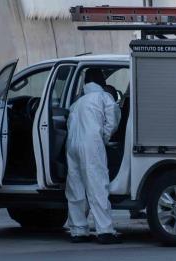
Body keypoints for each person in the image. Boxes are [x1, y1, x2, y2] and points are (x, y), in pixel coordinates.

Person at [65, 68, 122, 244]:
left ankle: (78, 230)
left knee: (75, 188)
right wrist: (103, 139)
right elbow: (112, 122)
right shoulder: (104, 97)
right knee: (97, 185)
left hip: (72, 144)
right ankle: (104, 231)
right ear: (101, 80)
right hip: (91, 143)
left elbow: (69, 124)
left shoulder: (77, 102)